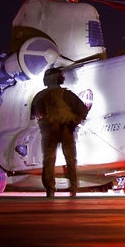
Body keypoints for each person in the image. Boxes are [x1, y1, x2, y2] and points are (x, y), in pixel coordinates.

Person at [31, 68, 89, 197]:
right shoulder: (65, 95)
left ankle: (52, 189)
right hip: (62, 130)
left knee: (50, 159)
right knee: (68, 159)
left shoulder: (39, 96)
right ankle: (72, 187)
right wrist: (74, 121)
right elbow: (82, 110)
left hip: (54, 130)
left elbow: (35, 115)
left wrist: (73, 122)